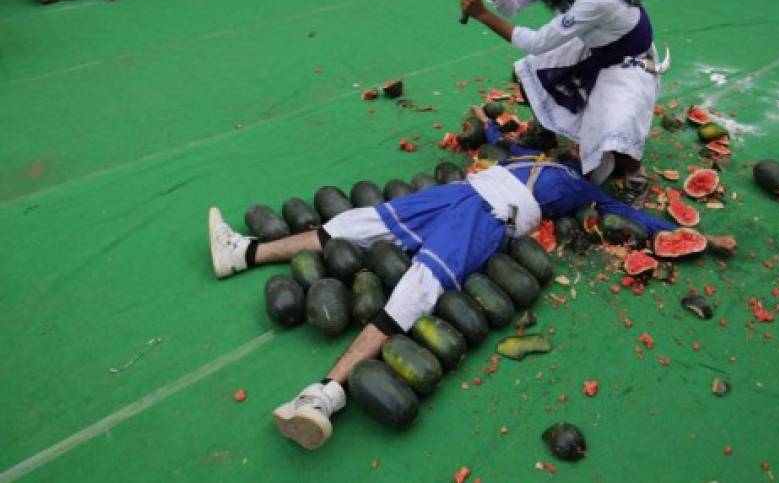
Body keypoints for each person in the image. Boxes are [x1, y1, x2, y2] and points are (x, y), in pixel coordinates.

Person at [205, 110, 731, 450]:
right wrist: (490, 124)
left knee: (417, 289)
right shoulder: (537, 153)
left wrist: (705, 237)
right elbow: (501, 138)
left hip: (488, 218)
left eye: (596, 149)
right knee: (358, 224)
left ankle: (324, 395)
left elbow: (639, 219)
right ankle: (244, 253)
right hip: (457, 194)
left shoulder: (587, 190)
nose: (584, 147)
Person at [460, 0, 670, 193]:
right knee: (527, 73)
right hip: (594, 47)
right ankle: (545, 133)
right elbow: (508, 6)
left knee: (619, 140)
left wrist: (482, 14)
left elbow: (537, 42)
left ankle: (635, 178)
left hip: (628, 62)